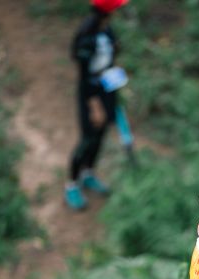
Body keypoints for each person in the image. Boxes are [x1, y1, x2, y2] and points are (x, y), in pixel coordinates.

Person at [65, 0, 129, 210]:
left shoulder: (106, 29)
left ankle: (88, 173)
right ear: (107, 11)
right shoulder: (87, 36)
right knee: (88, 138)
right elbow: (84, 76)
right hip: (90, 94)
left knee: (101, 135)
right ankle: (72, 184)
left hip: (106, 88)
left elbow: (110, 57)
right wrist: (95, 106)